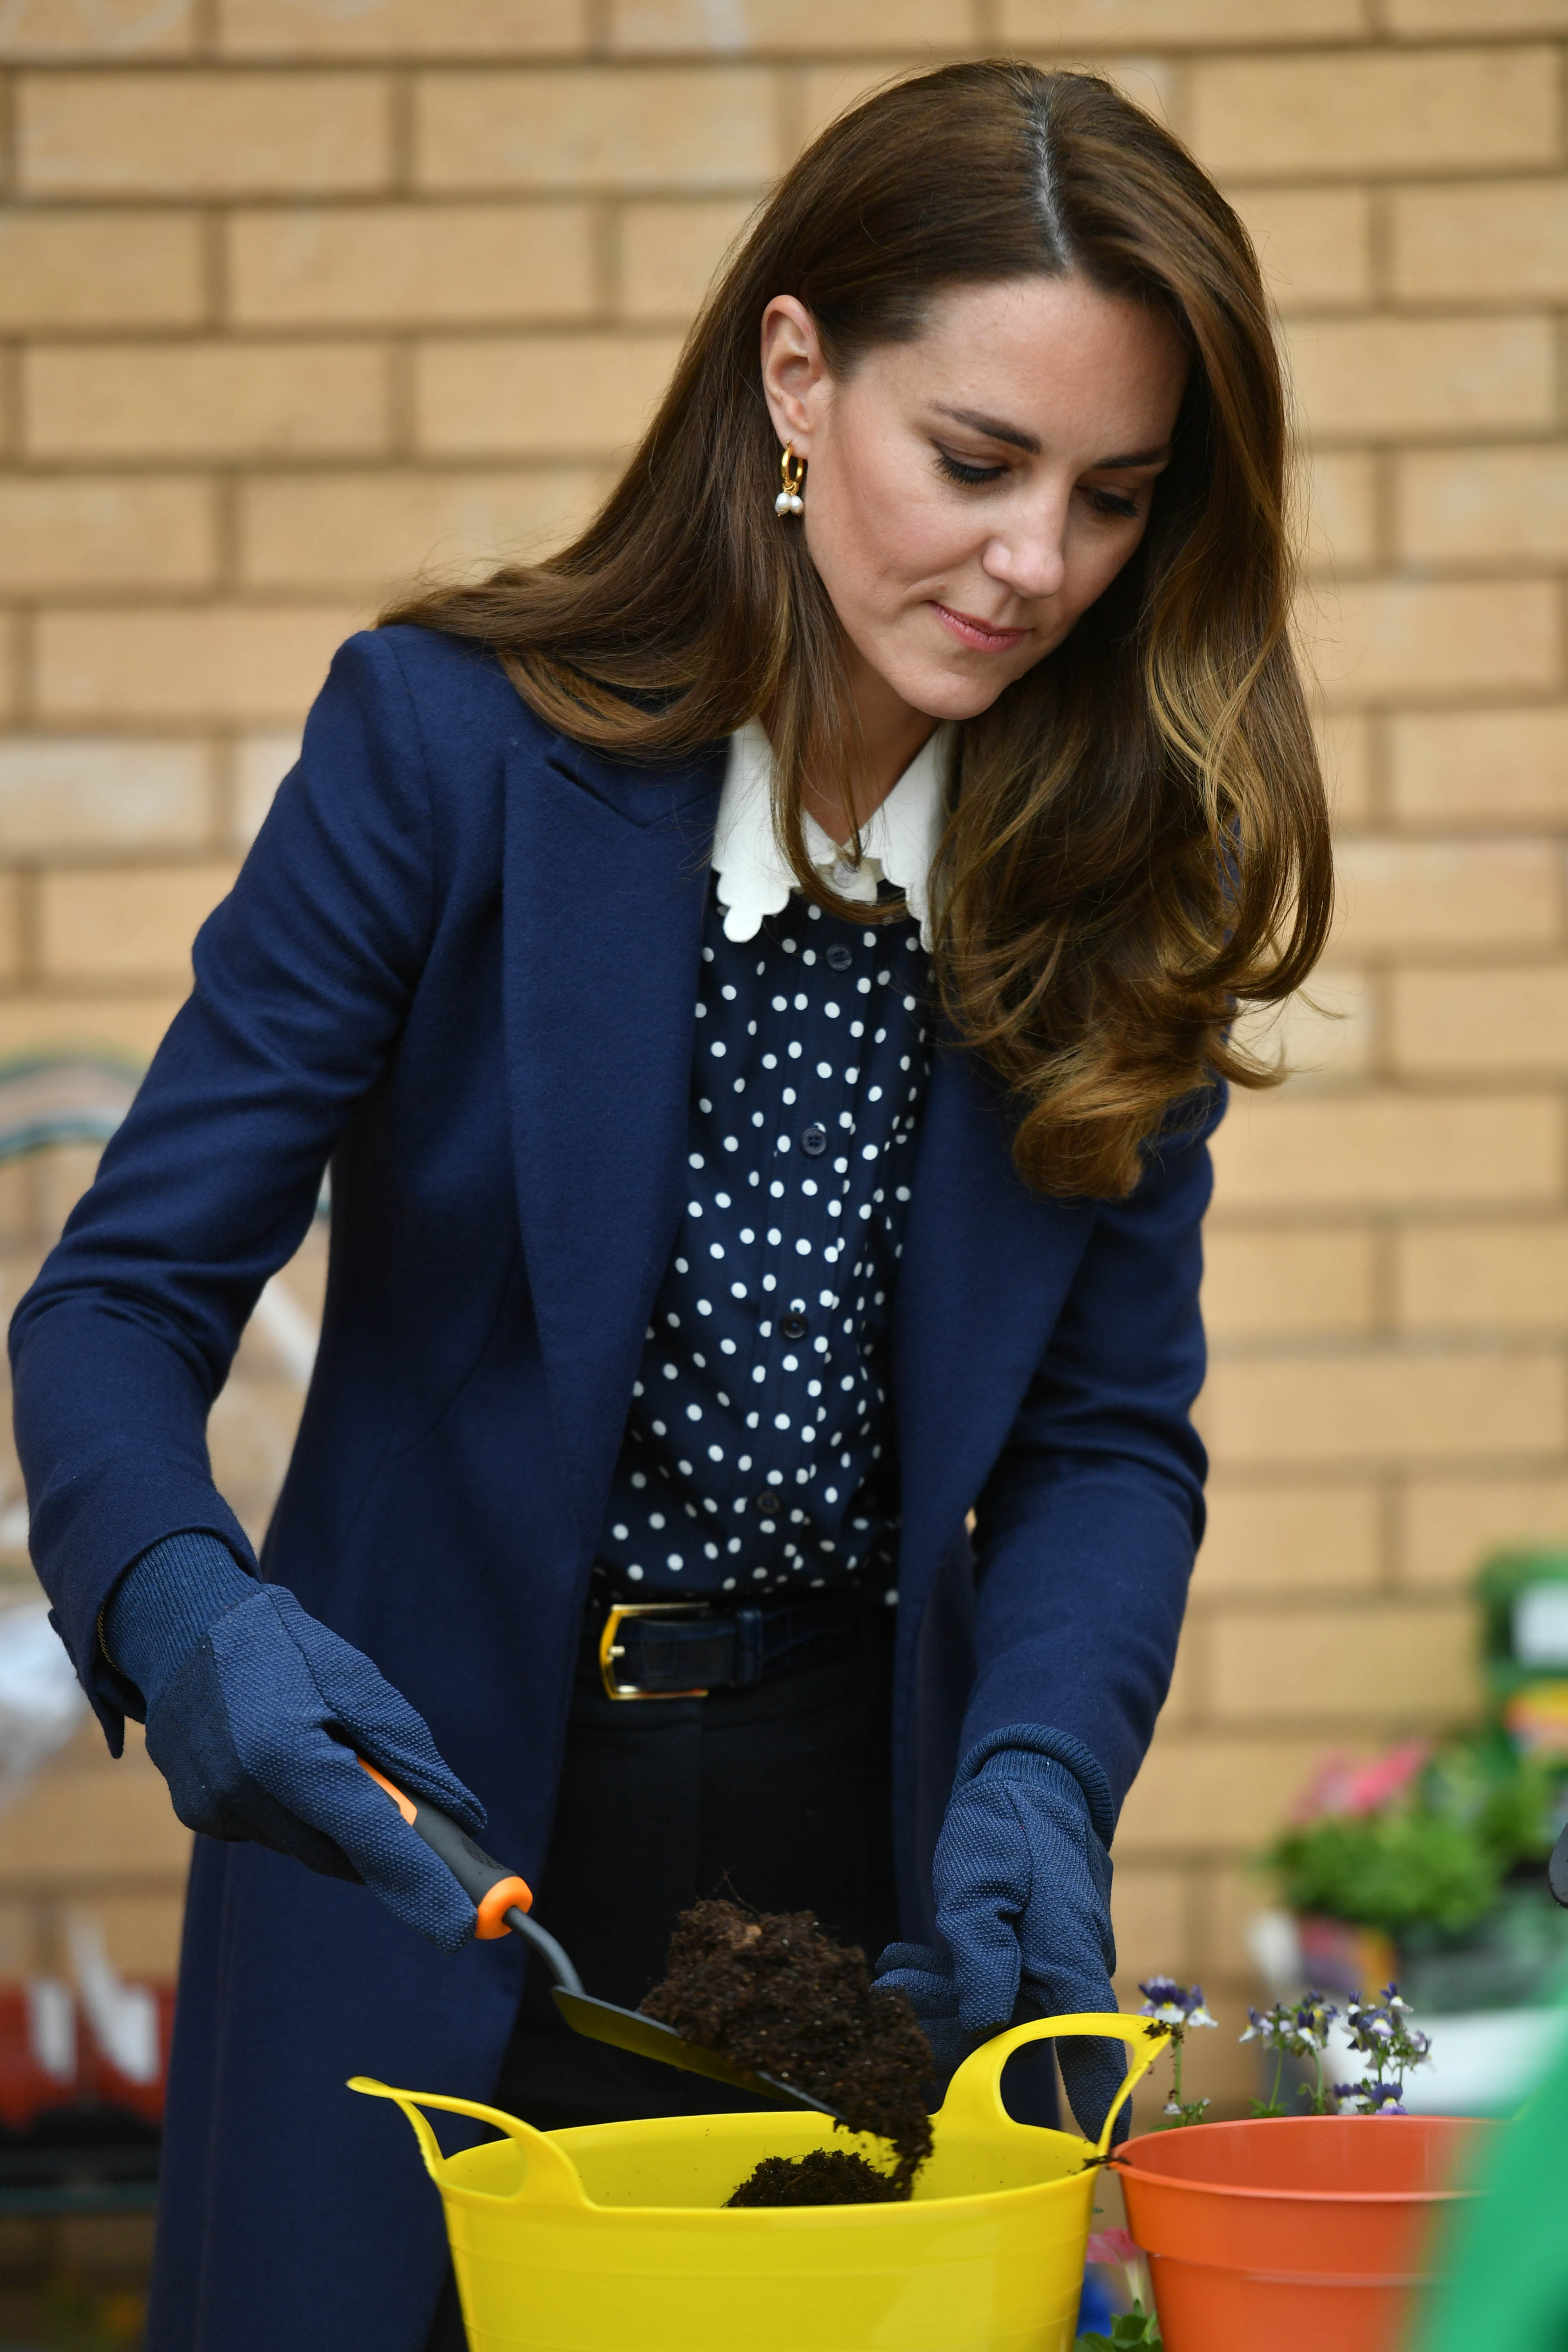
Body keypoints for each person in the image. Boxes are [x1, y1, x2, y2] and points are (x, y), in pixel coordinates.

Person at [9, 58, 1330, 2352]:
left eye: (1117, 499)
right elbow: (117, 1305)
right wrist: (174, 1603)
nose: (1041, 566)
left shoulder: (1132, 861)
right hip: (417, 1860)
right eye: (979, 463)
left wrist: (1036, 1773)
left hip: (868, 1888)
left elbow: (1111, 1438)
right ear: (797, 379)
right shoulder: (442, 750)